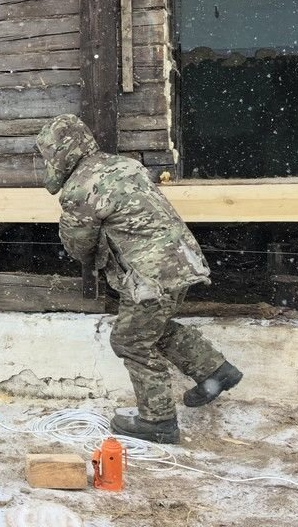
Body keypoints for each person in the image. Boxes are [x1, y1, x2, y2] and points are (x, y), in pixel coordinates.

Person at [35, 114, 242, 444]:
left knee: (129, 340)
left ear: (61, 153)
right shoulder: (124, 165)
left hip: (151, 275)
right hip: (184, 261)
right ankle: (215, 371)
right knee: (149, 329)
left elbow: (79, 245)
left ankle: (158, 421)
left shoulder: (79, 188)